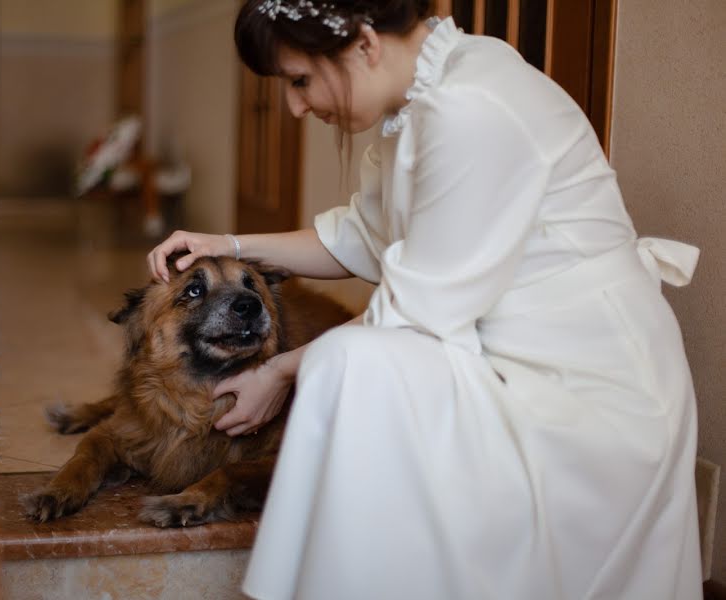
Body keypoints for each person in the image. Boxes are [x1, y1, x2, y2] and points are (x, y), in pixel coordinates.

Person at [147, 1, 703, 598]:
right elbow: (359, 236)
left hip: (586, 384)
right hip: (507, 356)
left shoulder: (471, 106)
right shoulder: (424, 99)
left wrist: (279, 373)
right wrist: (226, 242)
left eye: (300, 80)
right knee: (353, 361)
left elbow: (414, 311)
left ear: (363, 44)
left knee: (351, 363)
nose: (295, 105)